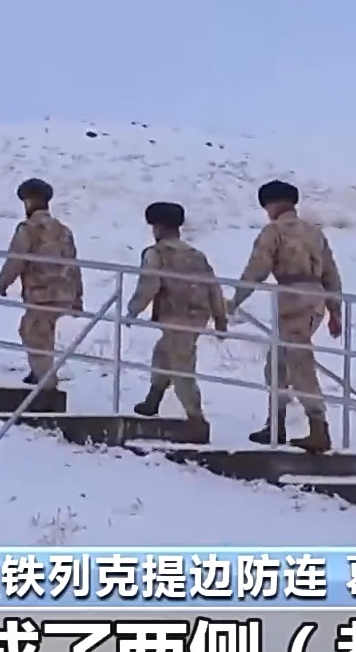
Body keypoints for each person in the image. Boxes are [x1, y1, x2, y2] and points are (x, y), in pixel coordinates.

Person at [228, 179, 343, 453]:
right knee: (277, 363)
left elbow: (256, 269)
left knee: (298, 364)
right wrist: (335, 310)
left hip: (292, 299)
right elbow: (331, 273)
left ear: (272, 204)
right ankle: (276, 426)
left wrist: (235, 301)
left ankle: (318, 428)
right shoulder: (314, 233)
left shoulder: (274, 231)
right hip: (316, 299)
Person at [125, 201, 228, 425]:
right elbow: (213, 287)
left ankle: (196, 417)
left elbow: (149, 283)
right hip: (197, 316)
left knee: (182, 367)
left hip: (174, 316)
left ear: (158, 228)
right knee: (163, 354)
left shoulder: (157, 253)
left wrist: (133, 309)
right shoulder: (197, 255)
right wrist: (220, 317)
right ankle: (152, 401)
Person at [0, 178, 84, 386]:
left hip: (40, 294)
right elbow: (73, 264)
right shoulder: (63, 230)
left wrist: (3, 282)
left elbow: (16, 259)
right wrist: (77, 297)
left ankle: (46, 383)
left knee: (32, 332)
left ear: (28, 201)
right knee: (44, 334)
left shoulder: (28, 229)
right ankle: (39, 373)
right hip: (64, 292)